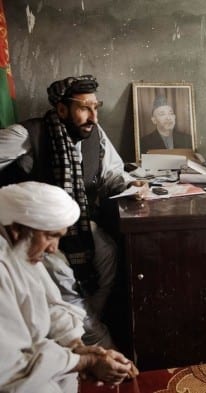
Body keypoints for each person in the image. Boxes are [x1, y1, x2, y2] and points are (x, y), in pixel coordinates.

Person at [0, 74, 136, 347]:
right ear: (62, 109)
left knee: (108, 252)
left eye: (96, 107)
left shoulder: (95, 135)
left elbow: (112, 175)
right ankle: (93, 335)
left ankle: (81, 320)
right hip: (34, 232)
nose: (93, 117)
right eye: (84, 108)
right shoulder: (25, 134)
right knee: (63, 275)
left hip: (79, 222)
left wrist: (133, 185)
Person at [0, 182, 138, 392]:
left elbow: (53, 306)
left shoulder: (20, 249)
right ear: (18, 229)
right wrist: (86, 362)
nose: (54, 248)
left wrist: (79, 347)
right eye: (50, 236)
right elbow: (9, 366)